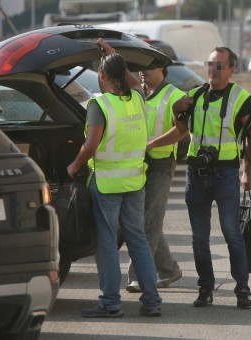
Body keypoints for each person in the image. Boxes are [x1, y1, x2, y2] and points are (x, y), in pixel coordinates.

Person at [148, 47, 251, 309]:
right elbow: (180, 131)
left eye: (219, 66)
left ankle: (242, 289)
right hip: (196, 175)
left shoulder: (240, 97)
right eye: (211, 65)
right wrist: (162, 131)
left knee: (232, 233)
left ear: (231, 69)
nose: (213, 70)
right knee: (199, 238)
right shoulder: (195, 96)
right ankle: (205, 289)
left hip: (224, 174)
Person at [67, 39, 162, 318]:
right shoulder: (137, 99)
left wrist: (73, 166)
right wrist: (113, 55)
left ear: (102, 76)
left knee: (107, 244)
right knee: (138, 241)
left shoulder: (100, 105)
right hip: (135, 182)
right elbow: (132, 81)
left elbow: (90, 146)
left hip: (107, 185)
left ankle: (110, 303)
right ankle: (152, 301)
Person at [125, 65, 186, 293]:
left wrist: (152, 144)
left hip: (161, 163)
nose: (143, 71)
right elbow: (126, 76)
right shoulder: (139, 93)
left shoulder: (176, 95)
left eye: (149, 67)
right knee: (149, 218)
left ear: (162, 68)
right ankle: (169, 269)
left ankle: (138, 276)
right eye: (140, 68)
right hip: (139, 163)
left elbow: (182, 131)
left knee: (148, 221)